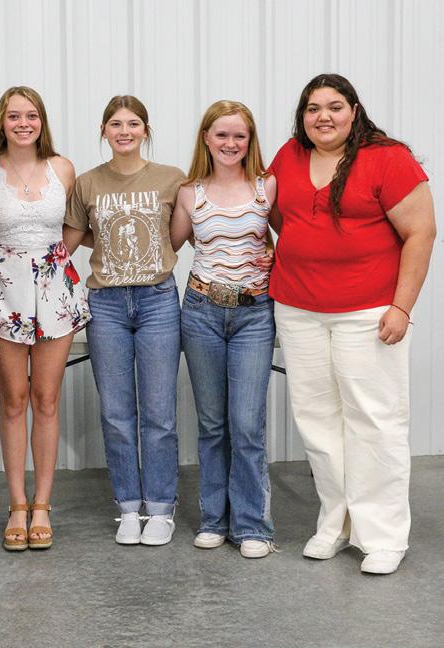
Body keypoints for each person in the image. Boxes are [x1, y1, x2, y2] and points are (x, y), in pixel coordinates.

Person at [268, 73, 435, 574]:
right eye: (313, 108)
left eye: (335, 106)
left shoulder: (387, 158)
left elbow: (422, 232)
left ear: (355, 111)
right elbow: (281, 218)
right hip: (298, 309)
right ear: (302, 116)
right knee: (317, 422)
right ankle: (336, 524)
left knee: (374, 421)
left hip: (369, 312)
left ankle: (381, 537)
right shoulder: (289, 156)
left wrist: (401, 307)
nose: (324, 116)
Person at [64, 95, 185, 546]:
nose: (125, 131)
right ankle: (129, 507)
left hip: (157, 301)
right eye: (116, 124)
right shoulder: (87, 183)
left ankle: (161, 508)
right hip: (107, 305)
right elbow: (71, 240)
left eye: (133, 123)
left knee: (159, 413)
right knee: (116, 412)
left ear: (145, 130)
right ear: (104, 131)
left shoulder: (171, 178)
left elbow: (174, 238)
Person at [0, 86, 90, 551]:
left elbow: (77, 223)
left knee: (46, 400)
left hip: (55, 292)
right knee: (13, 401)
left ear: (42, 121)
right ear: (1, 122)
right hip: (3, 292)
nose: (23, 123)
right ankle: (17, 505)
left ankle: (42, 504)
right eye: (14, 116)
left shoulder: (62, 167)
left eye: (31, 115)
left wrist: (58, 258)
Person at [170, 100, 277, 559]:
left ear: (250, 141)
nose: (230, 143)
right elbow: (167, 246)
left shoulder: (267, 186)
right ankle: (214, 519)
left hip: (254, 313)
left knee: (246, 424)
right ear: (206, 139)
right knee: (213, 424)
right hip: (202, 312)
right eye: (222, 135)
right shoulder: (189, 193)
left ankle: (253, 526)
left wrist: (276, 255)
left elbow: (295, 238)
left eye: (239, 136)